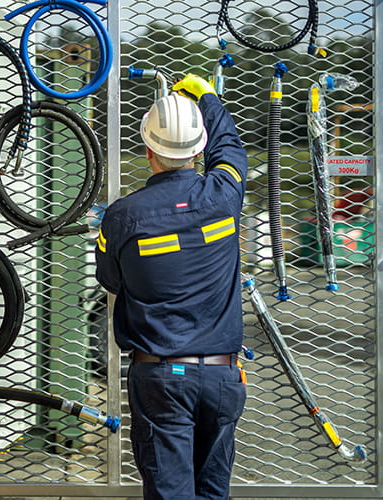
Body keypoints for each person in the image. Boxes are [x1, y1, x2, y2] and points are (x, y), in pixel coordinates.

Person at [94, 74, 249, 499]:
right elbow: (232, 150)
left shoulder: (123, 217)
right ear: (199, 150)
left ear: (148, 151)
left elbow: (108, 279)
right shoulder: (223, 195)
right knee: (213, 492)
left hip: (161, 376)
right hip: (223, 376)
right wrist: (209, 98)